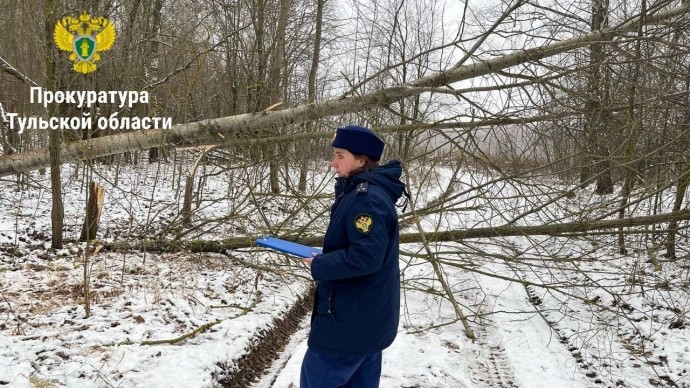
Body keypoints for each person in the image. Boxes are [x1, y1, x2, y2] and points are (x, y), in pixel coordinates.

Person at [300, 125, 407, 388]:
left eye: (339, 155)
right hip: (366, 320)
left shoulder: (365, 199)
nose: (332, 163)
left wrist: (320, 264)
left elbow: (365, 258)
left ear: (361, 160)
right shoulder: (363, 192)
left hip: (347, 325)